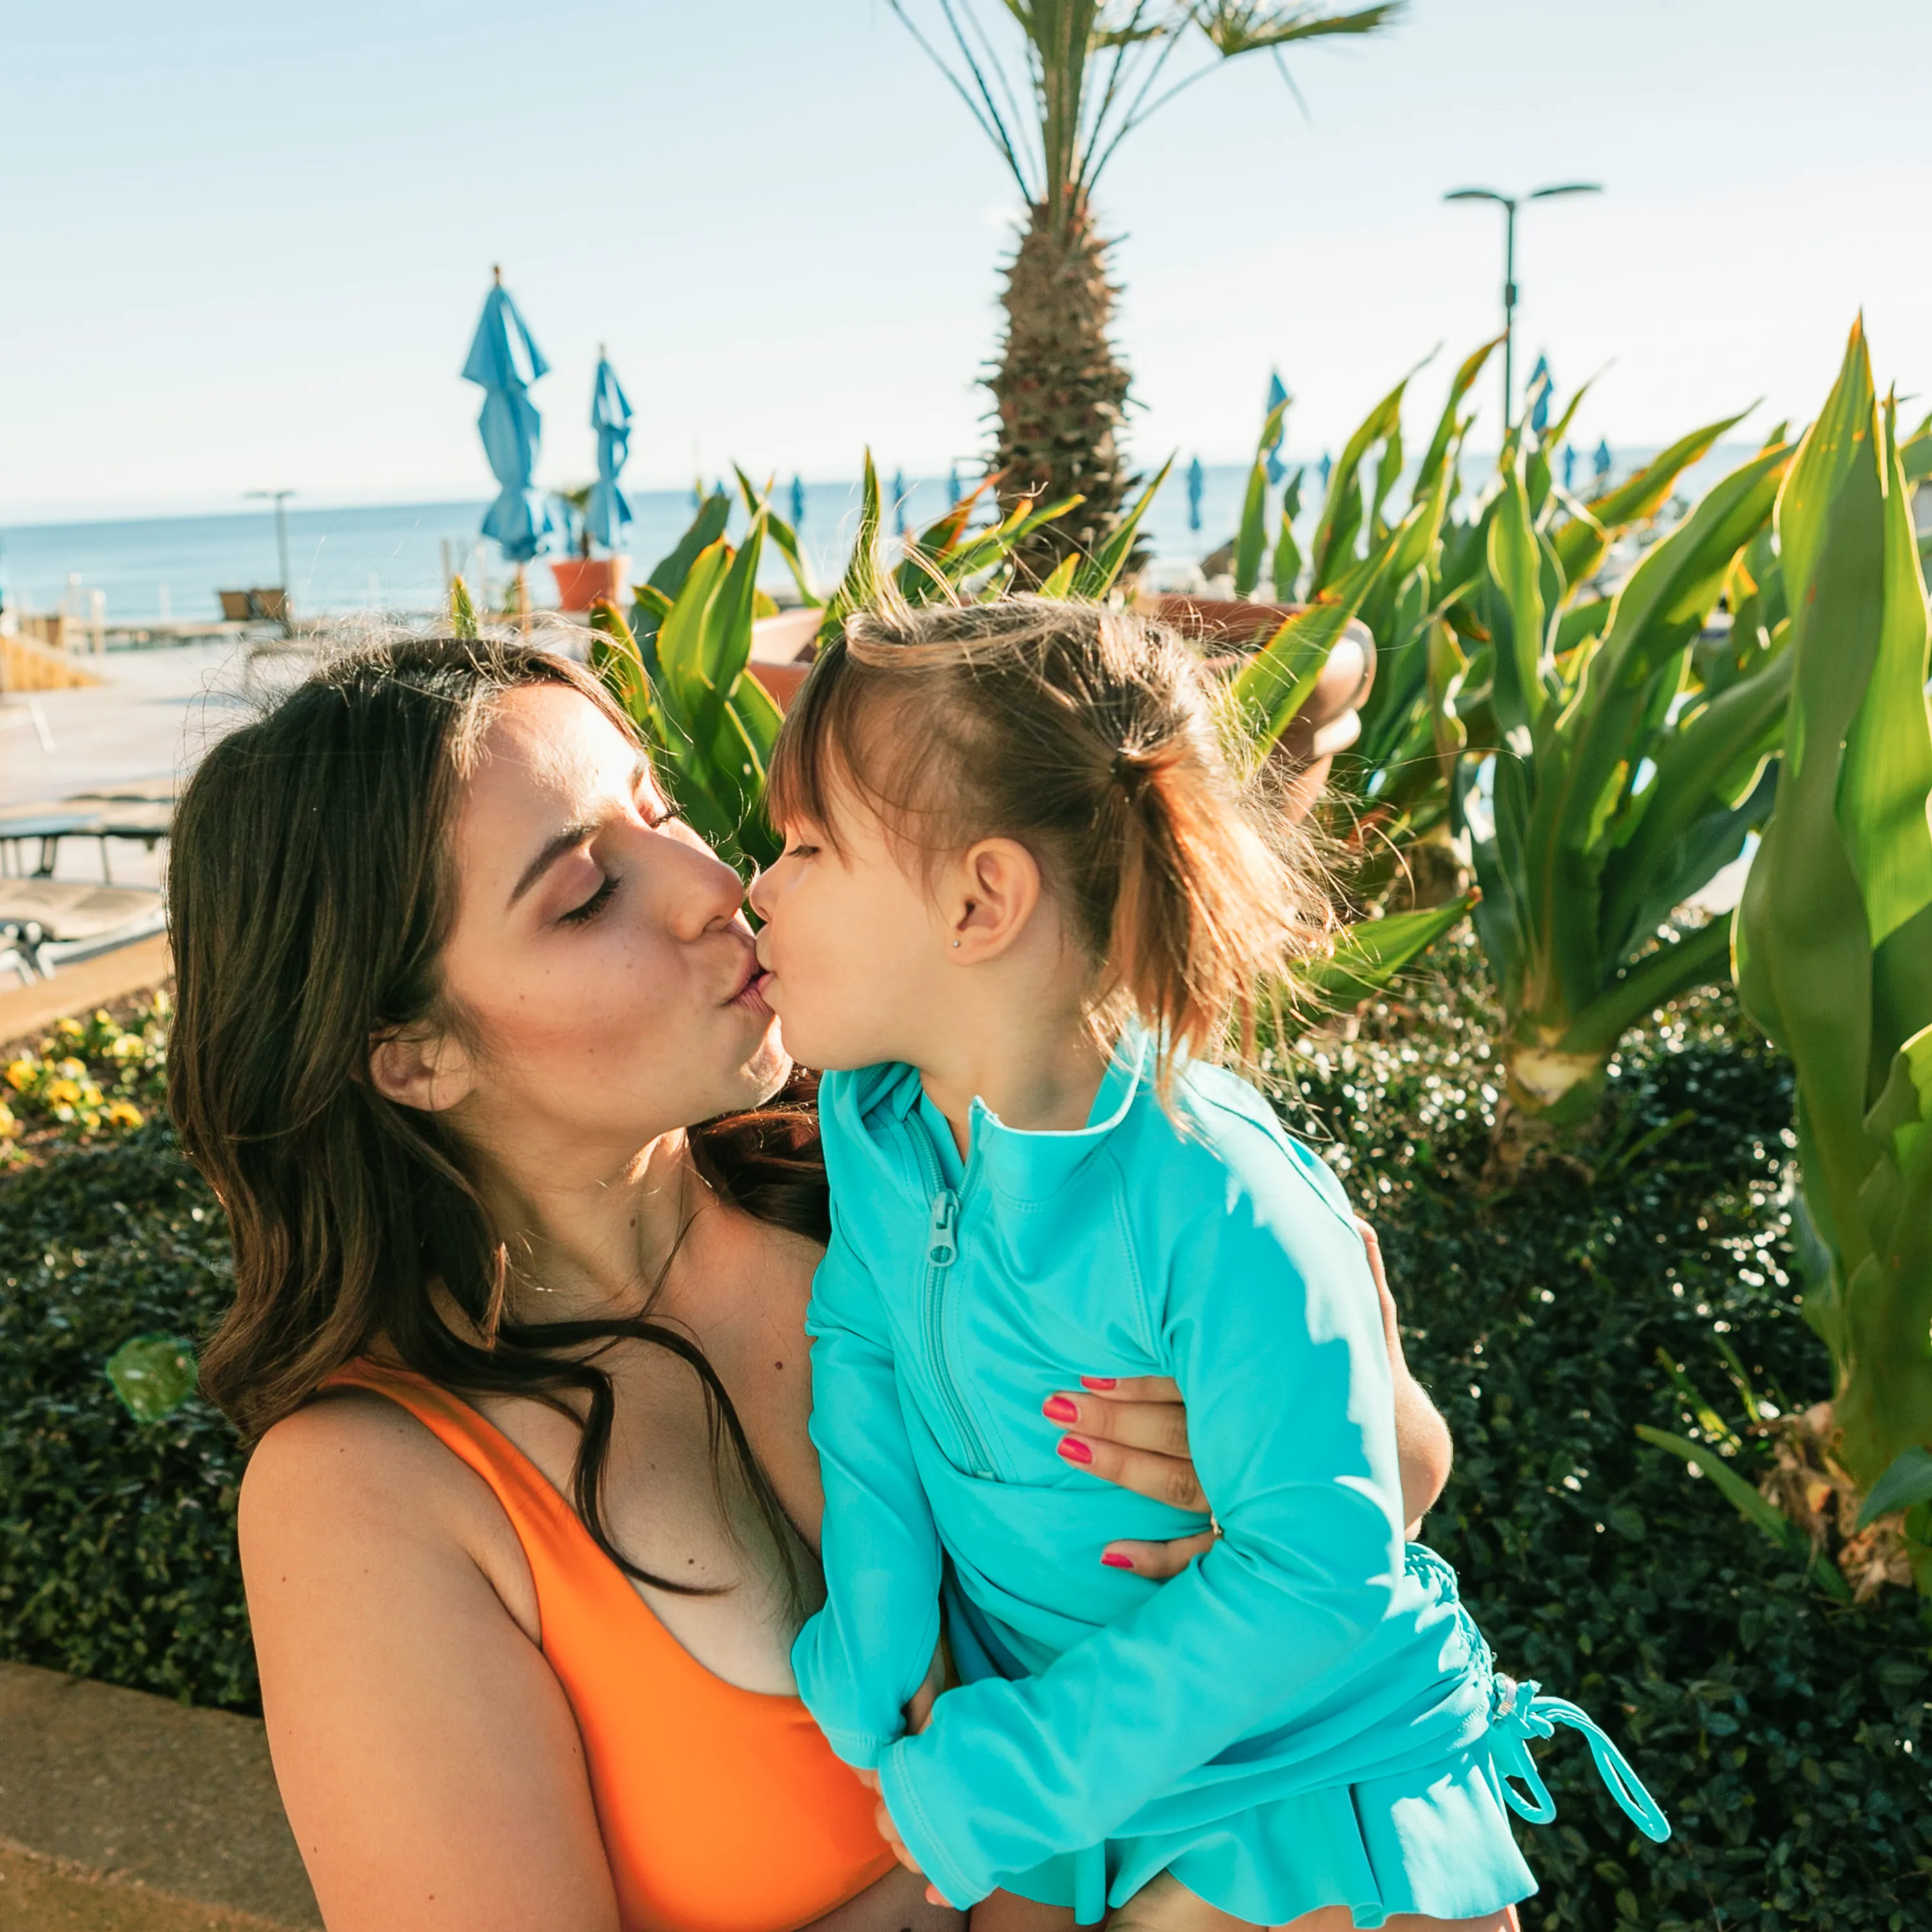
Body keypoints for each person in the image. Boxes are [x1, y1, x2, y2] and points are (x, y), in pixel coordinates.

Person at [164, 634, 1455, 1932]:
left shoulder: (917, 1166)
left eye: (659, 808)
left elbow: (1386, 1492)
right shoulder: (375, 1493)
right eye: (586, 893)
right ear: (414, 1056)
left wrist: (1289, 1471)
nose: (717, 883)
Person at [749, 598, 1670, 1932]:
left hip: (1298, 1776)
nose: (756, 885)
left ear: (980, 898)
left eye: (806, 847)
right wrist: (881, 1611)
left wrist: (1022, 1770)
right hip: (1080, 1768)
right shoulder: (882, 1123)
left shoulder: (1215, 1191)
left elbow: (1319, 1559)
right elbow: (865, 1336)